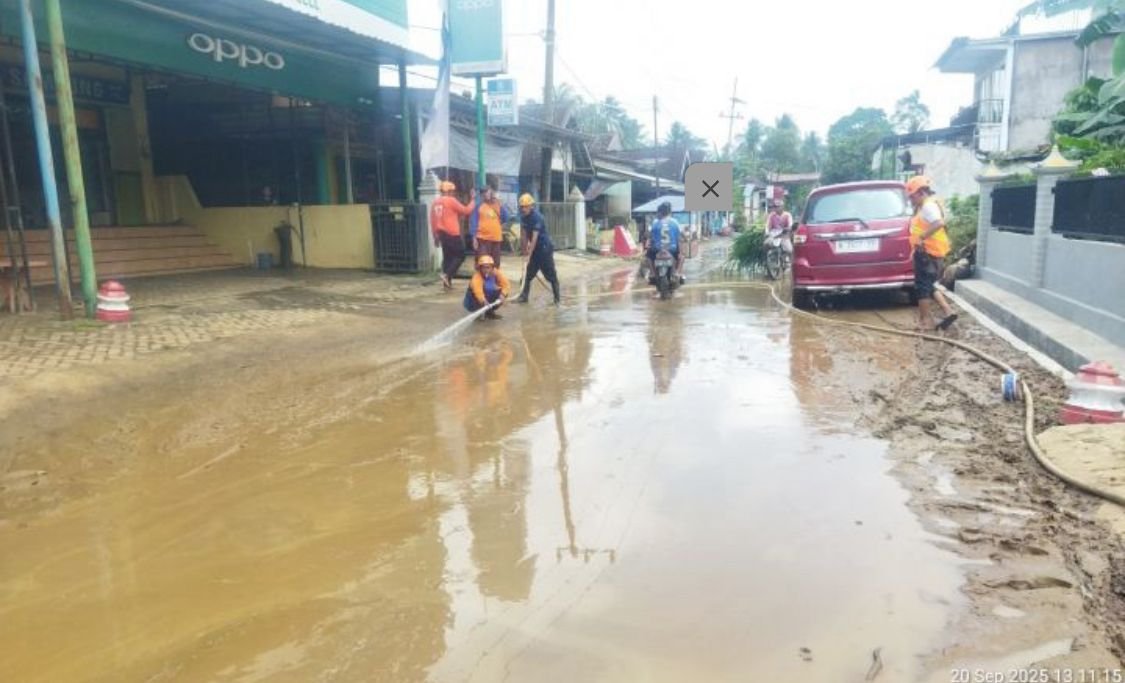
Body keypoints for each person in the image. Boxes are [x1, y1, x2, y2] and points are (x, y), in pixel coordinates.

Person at [906, 175, 958, 331]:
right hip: (928, 252)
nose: (911, 199)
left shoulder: (928, 206)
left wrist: (921, 238)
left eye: (912, 196)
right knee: (929, 284)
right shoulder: (926, 205)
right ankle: (948, 311)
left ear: (921, 192)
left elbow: (939, 223)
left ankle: (924, 322)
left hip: (928, 253)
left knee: (922, 287)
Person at [514, 193, 561, 305]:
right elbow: (524, 235)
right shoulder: (523, 217)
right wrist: (524, 252)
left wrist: (529, 255)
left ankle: (557, 299)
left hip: (544, 249)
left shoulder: (537, 217)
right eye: (522, 207)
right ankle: (523, 297)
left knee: (550, 275)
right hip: (534, 250)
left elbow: (534, 238)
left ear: (531, 206)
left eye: (526, 206)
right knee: (527, 275)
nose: (523, 209)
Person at [430, 181, 475, 289]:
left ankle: (447, 282)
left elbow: (432, 220)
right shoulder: (450, 201)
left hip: (441, 233)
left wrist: (435, 236)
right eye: (452, 191)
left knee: (448, 257)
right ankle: (447, 275)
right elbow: (466, 211)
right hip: (452, 233)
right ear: (449, 191)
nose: (453, 193)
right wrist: (473, 200)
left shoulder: (435, 202)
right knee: (460, 255)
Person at [471, 185, 510, 268]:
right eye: (483, 192)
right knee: (482, 262)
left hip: (496, 238)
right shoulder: (479, 206)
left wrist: (501, 204)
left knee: (495, 263)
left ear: (491, 192)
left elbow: (506, 217)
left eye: (487, 191)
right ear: (481, 195)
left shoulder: (498, 204)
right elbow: (474, 222)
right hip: (482, 239)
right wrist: (474, 238)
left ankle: (493, 276)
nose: (485, 194)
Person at [646, 201, 683, 283]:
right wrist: (680, 252)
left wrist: (649, 245)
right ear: (669, 212)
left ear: (660, 212)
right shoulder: (675, 222)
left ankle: (652, 273)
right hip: (672, 249)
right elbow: (679, 239)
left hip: (658, 249)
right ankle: (677, 273)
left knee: (648, 257)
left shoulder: (655, 223)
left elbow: (651, 237)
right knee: (682, 257)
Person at [463, 254, 510, 319]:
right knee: (480, 295)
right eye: (483, 267)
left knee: (502, 292)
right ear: (480, 268)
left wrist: (503, 294)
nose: (486, 270)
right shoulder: (477, 277)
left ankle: (489, 312)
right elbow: (478, 292)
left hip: (487, 295)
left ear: (492, 267)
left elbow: (506, 284)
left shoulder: (496, 273)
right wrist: (483, 301)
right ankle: (479, 312)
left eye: (488, 267)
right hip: (473, 300)